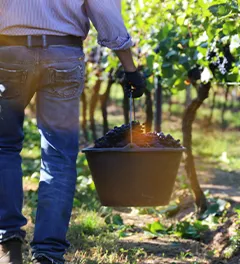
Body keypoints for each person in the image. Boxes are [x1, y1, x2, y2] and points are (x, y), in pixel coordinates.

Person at [0, 1, 146, 264]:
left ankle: (9, 243)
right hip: (63, 55)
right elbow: (104, 10)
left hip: (9, 53)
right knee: (59, 156)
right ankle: (48, 253)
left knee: (3, 148)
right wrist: (129, 68)